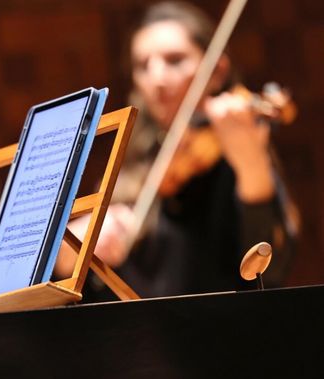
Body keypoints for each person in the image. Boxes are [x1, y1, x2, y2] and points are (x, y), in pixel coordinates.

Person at [57, 1, 296, 299]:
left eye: (175, 60)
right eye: (143, 65)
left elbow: (271, 272)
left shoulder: (232, 154)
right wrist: (72, 253)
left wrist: (251, 163)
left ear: (217, 71)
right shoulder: (136, 157)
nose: (156, 79)